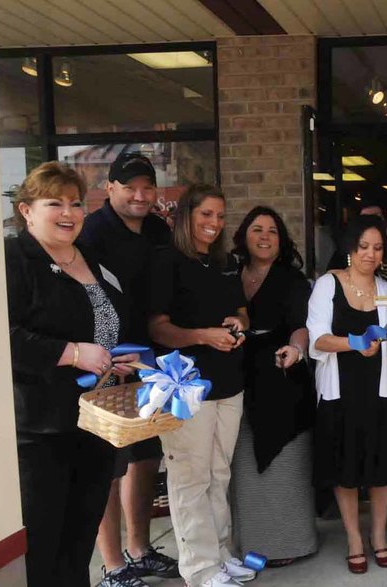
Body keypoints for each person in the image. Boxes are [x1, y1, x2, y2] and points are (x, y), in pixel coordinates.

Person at [5, 162, 139, 586]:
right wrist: (72, 353)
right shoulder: (14, 258)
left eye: (75, 203)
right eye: (54, 203)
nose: (68, 212)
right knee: (45, 543)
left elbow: (105, 326)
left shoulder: (92, 259)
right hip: (43, 428)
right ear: (26, 211)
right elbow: (1, 337)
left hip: (96, 421)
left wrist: (113, 357)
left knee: (81, 538)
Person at [147, 184, 254, 587]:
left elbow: (241, 311)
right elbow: (158, 328)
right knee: (190, 478)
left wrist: (237, 325)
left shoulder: (225, 262)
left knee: (219, 473)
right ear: (187, 215)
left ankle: (221, 555)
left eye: (220, 216)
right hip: (185, 385)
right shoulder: (167, 260)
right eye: (206, 214)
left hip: (229, 383)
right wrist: (203, 336)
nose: (214, 223)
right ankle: (199, 568)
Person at [79, 152, 178, 587]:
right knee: (110, 462)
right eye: (130, 187)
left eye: (146, 187)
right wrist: (103, 353)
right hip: (111, 364)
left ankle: (140, 550)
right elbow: (87, 299)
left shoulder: (159, 229)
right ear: (110, 189)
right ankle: (114, 563)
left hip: (152, 360)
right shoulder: (92, 233)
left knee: (146, 456)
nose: (140, 195)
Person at [307, 215, 387, 575]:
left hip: (379, 389)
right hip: (340, 389)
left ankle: (379, 536)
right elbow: (317, 338)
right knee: (345, 467)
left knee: (381, 468)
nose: (370, 253)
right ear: (351, 247)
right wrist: (355, 343)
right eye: (364, 246)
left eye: (378, 248)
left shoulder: (386, 289)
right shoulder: (327, 285)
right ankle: (353, 538)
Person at [229, 206, 318, 567]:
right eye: (257, 230)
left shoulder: (293, 280)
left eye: (272, 231)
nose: (265, 237)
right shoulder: (228, 275)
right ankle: (252, 544)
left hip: (283, 378)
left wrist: (296, 350)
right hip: (238, 377)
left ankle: (290, 544)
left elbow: (301, 325)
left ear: (281, 242)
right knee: (246, 468)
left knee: (286, 467)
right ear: (244, 237)